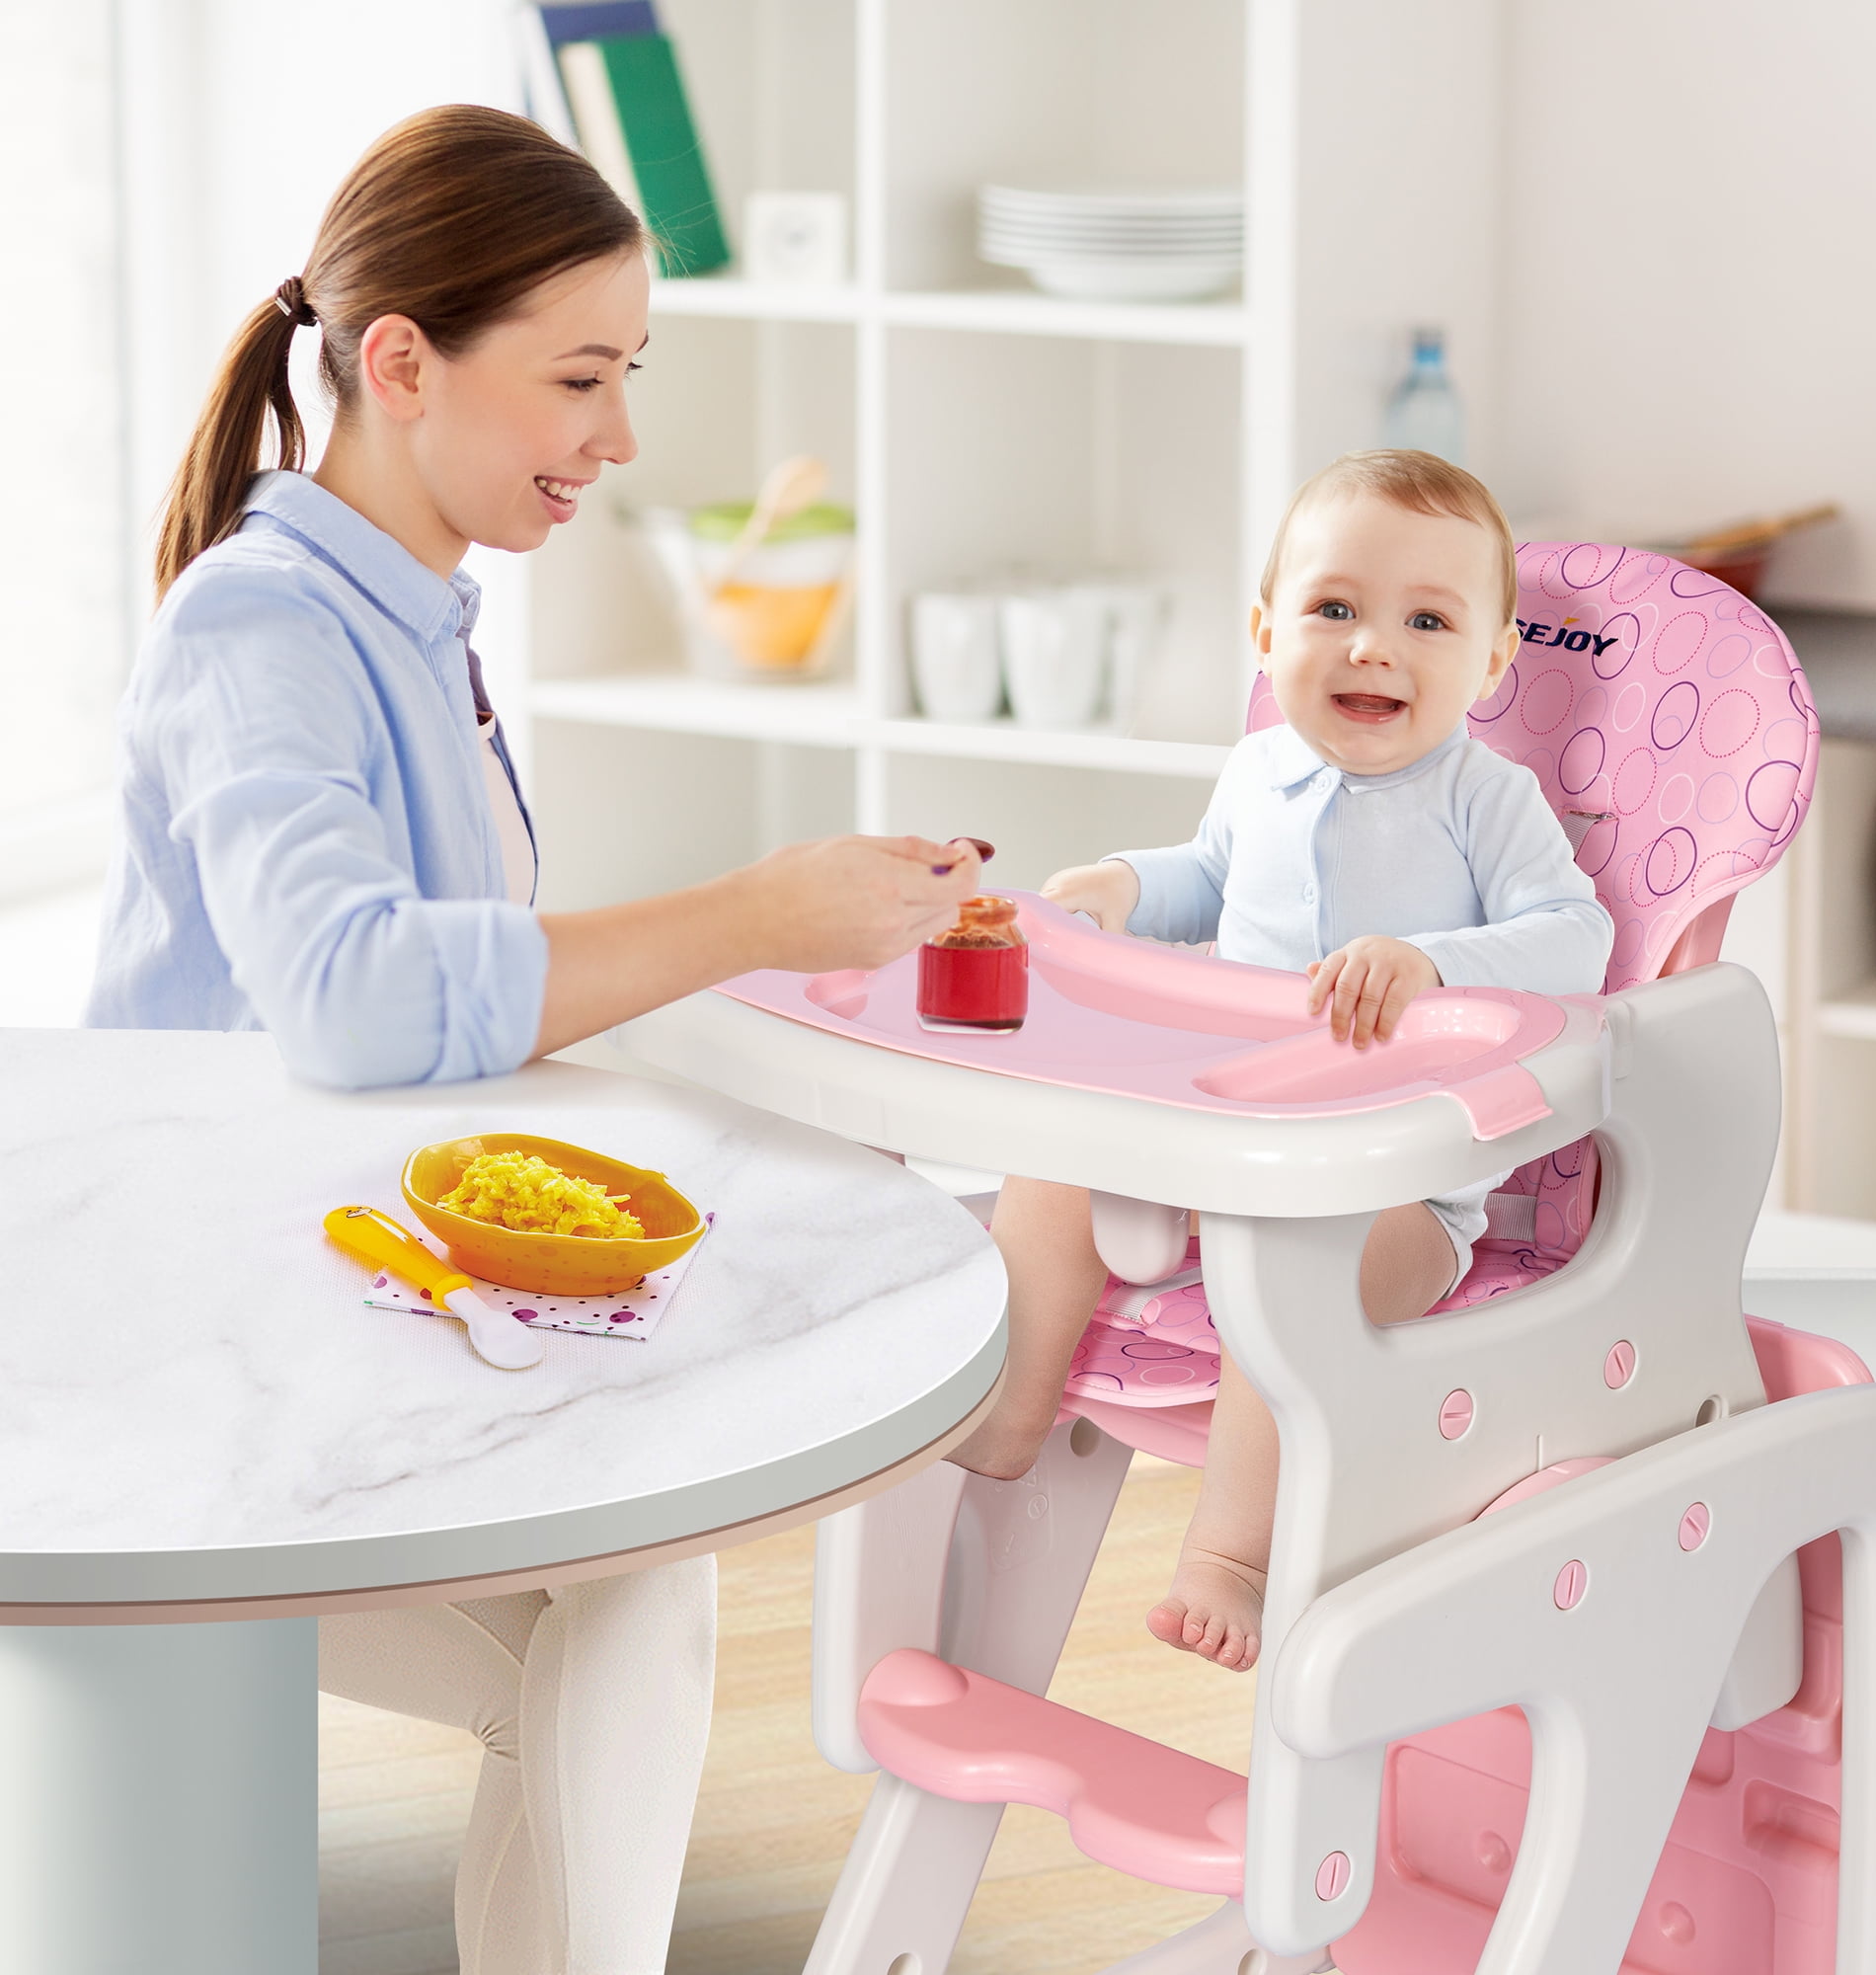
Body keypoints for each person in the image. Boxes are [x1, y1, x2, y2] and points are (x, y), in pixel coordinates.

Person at [86, 106, 982, 1975]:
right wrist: (753, 915)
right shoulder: (262, 630)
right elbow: (356, 995)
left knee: (643, 1588)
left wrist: (792, 956)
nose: (620, 435)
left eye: (628, 373)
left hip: (345, 1282)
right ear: (402, 363)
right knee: (637, 1589)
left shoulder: (416, 620)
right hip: (204, 1362)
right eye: (582, 376)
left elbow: (474, 978)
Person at [949, 450, 1612, 1675]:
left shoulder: (1487, 798)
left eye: (1425, 622)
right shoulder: (1257, 768)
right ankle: (1004, 1418)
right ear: (1265, 632)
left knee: (1286, 1274)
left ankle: (1234, 1553)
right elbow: (1210, 875)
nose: (1371, 647)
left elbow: (1579, 935)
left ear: (1490, 661)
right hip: (1219, 1137)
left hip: (1391, 1196)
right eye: (1333, 607)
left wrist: (1427, 962)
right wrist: (1122, 886)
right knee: (1050, 1165)